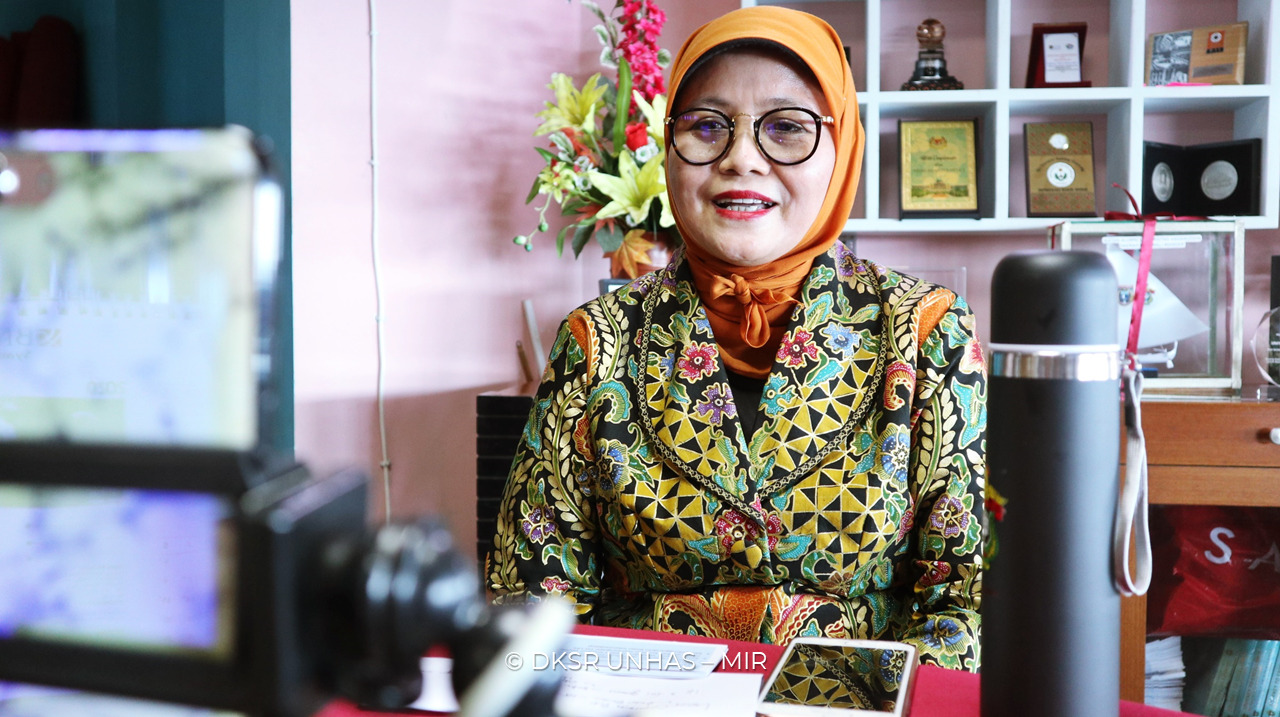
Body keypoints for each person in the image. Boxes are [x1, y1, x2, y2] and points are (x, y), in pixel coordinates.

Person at [488, 5, 986, 672]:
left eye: (786, 127)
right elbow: (533, 594)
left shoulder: (923, 331)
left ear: (842, 149)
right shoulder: (597, 339)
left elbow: (966, 602)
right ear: (669, 148)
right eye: (706, 126)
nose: (742, 159)